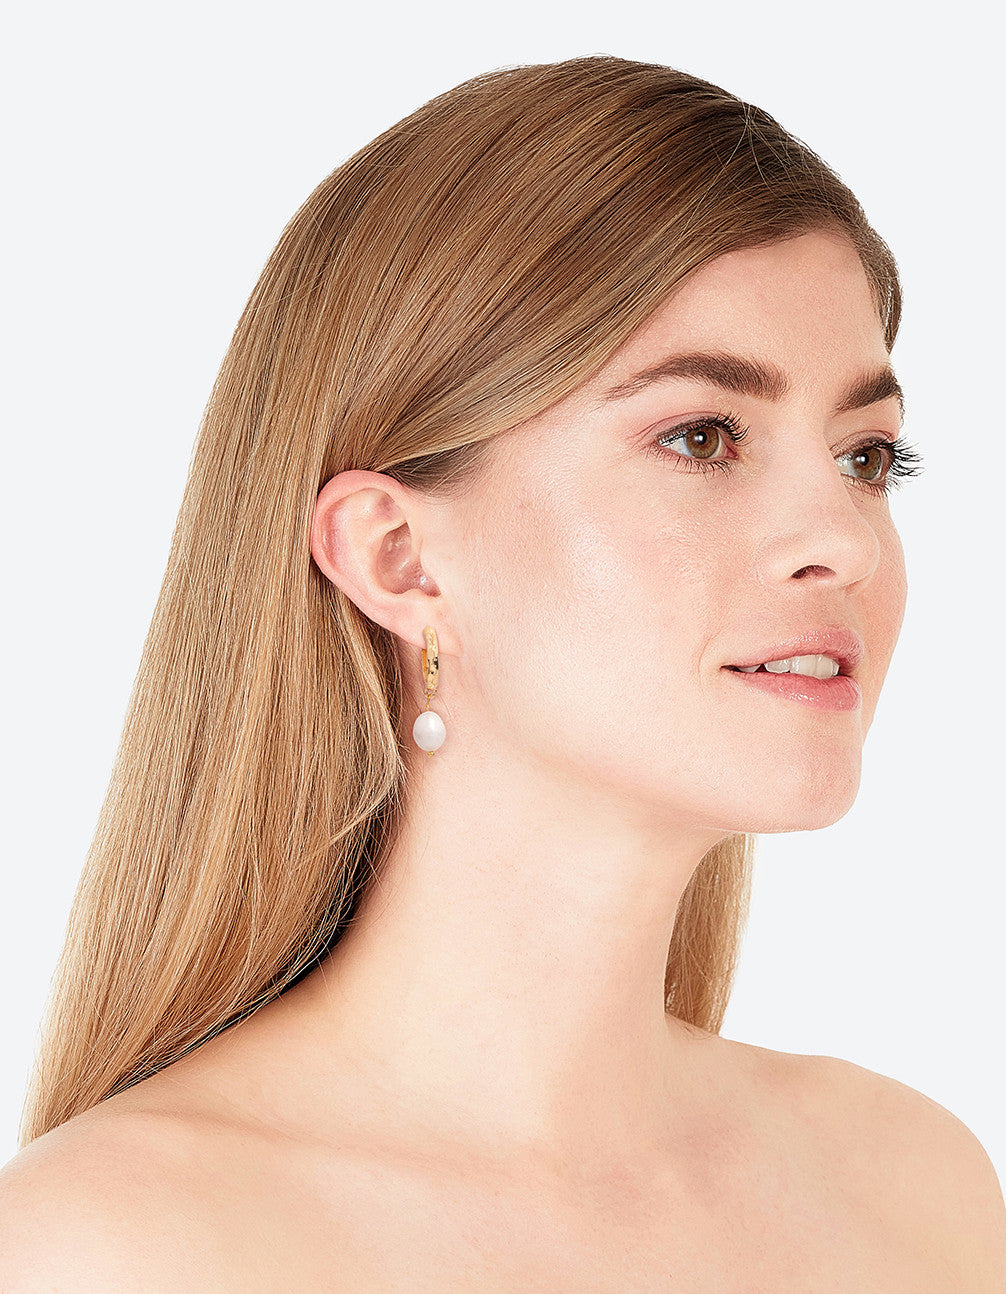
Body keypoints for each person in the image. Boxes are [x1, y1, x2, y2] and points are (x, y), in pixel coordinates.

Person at [1, 54, 1003, 1290]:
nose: (844, 541)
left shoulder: (912, 1187)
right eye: (701, 436)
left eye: (867, 458)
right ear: (399, 556)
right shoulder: (109, 1247)